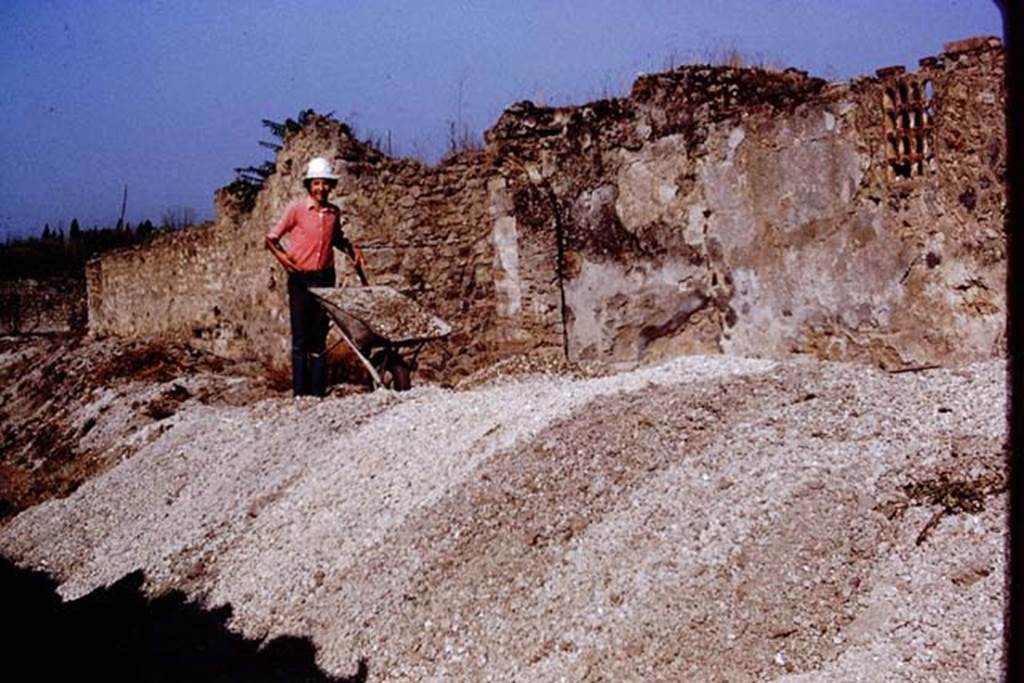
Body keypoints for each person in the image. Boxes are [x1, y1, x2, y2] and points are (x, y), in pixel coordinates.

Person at [266, 156, 368, 397]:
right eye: (316, 184)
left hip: (325, 279)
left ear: (330, 186)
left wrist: (354, 251)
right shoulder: (297, 210)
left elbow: (337, 239)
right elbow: (271, 239)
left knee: (319, 337)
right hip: (301, 280)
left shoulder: (333, 213)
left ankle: (318, 391)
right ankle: (301, 394)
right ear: (309, 185)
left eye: (325, 184)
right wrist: (283, 259)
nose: (321, 188)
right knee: (301, 338)